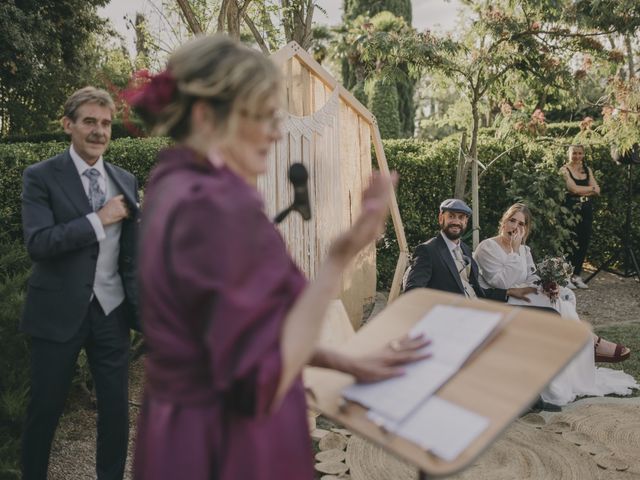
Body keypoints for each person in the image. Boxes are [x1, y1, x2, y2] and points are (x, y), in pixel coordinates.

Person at [129, 35, 428, 480]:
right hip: (229, 447)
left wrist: (347, 362)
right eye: (263, 116)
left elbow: (248, 336)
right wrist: (339, 256)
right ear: (206, 116)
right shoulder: (217, 204)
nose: (274, 131)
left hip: (177, 436)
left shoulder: (170, 181)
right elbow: (258, 380)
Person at [20, 87, 140, 480]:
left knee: (116, 411)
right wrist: (98, 219)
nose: (99, 131)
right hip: (57, 311)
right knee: (45, 409)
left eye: (105, 123)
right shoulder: (40, 177)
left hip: (112, 311)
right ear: (68, 124)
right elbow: (38, 243)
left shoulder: (125, 180)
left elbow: (130, 252)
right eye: (89, 121)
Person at [474, 203, 637, 406]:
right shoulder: (488, 247)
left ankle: (584, 344)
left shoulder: (524, 249)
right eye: (512, 220)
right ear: (503, 221)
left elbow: (532, 277)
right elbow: (501, 282)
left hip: (521, 294)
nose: (515, 227)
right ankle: (589, 342)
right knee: (553, 305)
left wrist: (549, 285)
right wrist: (514, 251)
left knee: (562, 295)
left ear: (526, 229)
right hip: (500, 300)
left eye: (521, 224)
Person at [402, 198, 536, 303]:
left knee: (549, 313)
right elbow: (413, 292)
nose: (456, 221)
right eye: (451, 216)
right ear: (441, 218)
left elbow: (479, 291)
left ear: (466, 222)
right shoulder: (428, 250)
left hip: (477, 307)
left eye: (461, 218)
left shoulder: (465, 250)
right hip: (455, 316)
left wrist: (509, 292)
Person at [561, 144, 600, 289]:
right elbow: (573, 189)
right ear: (568, 154)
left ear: (583, 155)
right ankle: (565, 277)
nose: (577, 156)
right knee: (570, 242)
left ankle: (576, 276)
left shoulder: (587, 170)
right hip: (571, 209)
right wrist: (591, 189)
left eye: (579, 153)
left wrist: (584, 191)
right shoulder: (564, 170)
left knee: (583, 242)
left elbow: (599, 190)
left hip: (586, 209)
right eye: (574, 153)